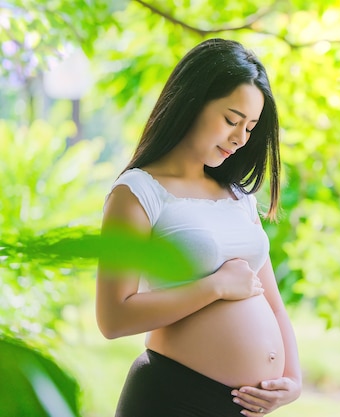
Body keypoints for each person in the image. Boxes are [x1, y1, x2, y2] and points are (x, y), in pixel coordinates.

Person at [96, 38, 301, 417]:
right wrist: (215, 286)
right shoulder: (139, 191)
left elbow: (272, 301)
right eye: (231, 120)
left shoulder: (239, 198)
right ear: (193, 101)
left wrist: (292, 379)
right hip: (173, 397)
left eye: (251, 127)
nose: (241, 138)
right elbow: (113, 317)